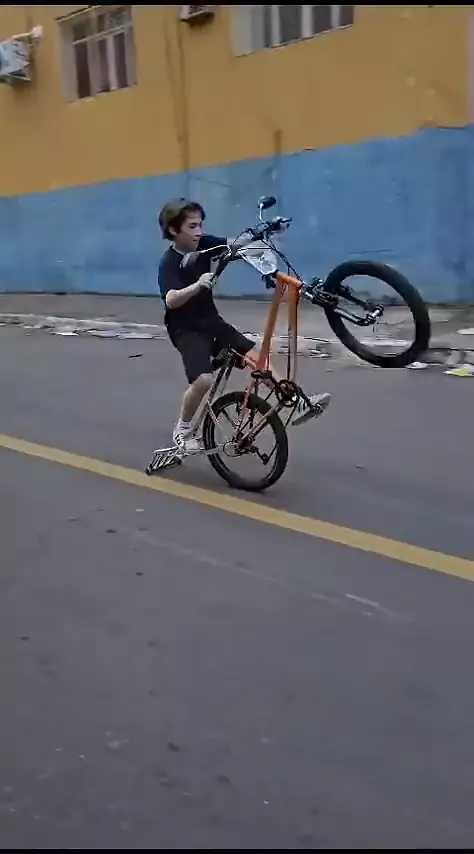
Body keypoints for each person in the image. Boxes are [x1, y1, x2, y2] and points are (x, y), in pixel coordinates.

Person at [158, 198, 331, 452]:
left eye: (200, 225)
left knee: (257, 358)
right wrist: (197, 286)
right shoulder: (169, 262)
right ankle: (182, 430)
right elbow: (171, 300)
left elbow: (235, 244)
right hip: (186, 328)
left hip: (211, 321)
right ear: (174, 230)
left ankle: (296, 401)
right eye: (192, 226)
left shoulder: (204, 245)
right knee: (203, 380)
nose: (199, 231)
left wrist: (266, 230)